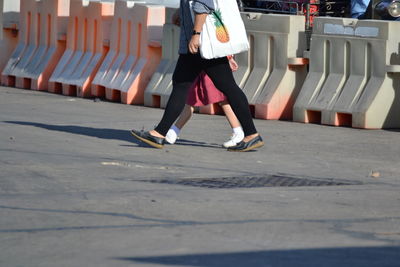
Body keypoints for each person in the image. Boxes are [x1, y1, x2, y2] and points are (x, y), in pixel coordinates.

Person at [130, 0, 264, 152]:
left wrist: (196, 34)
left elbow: (203, 4)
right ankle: (159, 133)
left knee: (223, 86)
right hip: (200, 43)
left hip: (202, 42)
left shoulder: (199, 36)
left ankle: (251, 134)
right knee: (185, 84)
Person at [165, 56, 245, 148]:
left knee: (222, 98)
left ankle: (238, 132)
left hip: (209, 62)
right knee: (191, 99)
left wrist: (229, 58)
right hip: (201, 62)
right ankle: (173, 132)